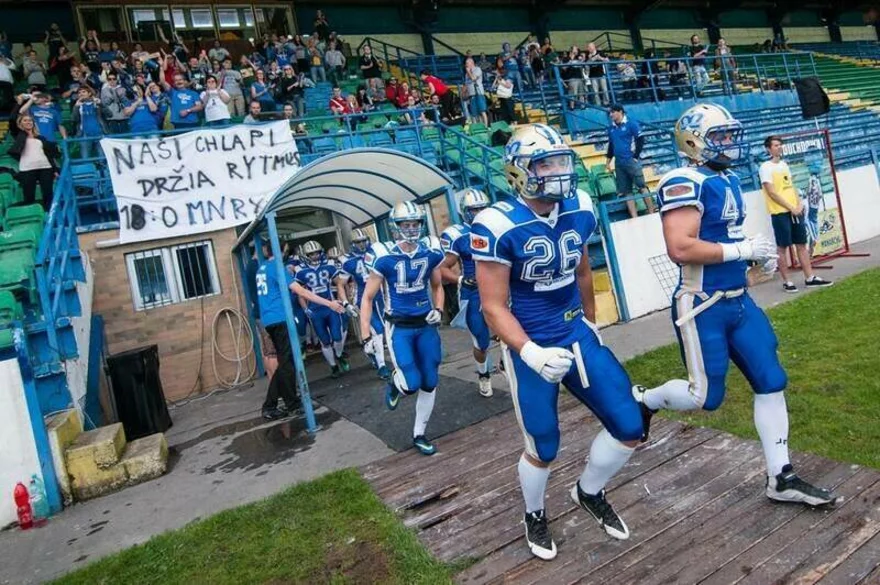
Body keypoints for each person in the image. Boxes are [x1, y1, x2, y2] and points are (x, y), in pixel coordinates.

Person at [633, 103, 837, 512]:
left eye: (730, 134)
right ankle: (646, 400)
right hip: (702, 303)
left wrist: (752, 257)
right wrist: (741, 249)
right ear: (693, 140)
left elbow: (721, 235)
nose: (729, 143)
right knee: (703, 397)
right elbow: (680, 247)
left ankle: (781, 475)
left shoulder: (722, 177)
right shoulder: (683, 180)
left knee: (772, 379)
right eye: (720, 136)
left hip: (738, 301)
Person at [472, 123, 661, 559]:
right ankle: (534, 514)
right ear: (519, 171)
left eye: (561, 161)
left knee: (630, 425)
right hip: (531, 340)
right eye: (546, 163)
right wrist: (529, 352)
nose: (559, 171)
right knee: (543, 444)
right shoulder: (497, 224)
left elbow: (580, 269)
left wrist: (591, 321)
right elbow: (493, 306)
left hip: (575, 330)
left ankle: (588, 491)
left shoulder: (581, 206)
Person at [359, 202, 445, 456]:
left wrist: (438, 310)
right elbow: (367, 298)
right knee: (411, 382)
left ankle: (419, 434)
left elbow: (438, 287)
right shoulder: (384, 255)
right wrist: (365, 333)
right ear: (395, 227)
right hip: (399, 327)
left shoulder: (430, 250)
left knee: (430, 380)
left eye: (415, 223)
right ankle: (396, 386)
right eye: (406, 224)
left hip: (426, 324)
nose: (411, 229)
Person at [256, 241, 345, 420]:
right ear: (283, 249)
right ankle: (287, 404)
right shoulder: (277, 267)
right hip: (280, 318)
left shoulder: (262, 268)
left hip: (269, 319)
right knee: (287, 363)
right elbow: (302, 292)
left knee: (285, 362)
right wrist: (330, 303)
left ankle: (275, 404)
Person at [760, 136, 833, 292]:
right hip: (780, 212)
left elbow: (790, 186)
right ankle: (787, 281)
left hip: (795, 210)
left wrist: (799, 203)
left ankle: (810, 277)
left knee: (801, 244)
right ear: (768, 149)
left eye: (780, 145)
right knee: (782, 246)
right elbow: (772, 193)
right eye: (776, 145)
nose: (779, 147)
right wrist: (789, 207)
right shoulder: (765, 167)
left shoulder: (784, 165)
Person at [439, 188, 494, 398]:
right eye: (474, 209)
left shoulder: (497, 225)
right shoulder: (458, 234)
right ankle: (483, 373)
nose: (479, 212)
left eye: (482, 208)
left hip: (500, 287)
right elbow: (442, 268)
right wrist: (461, 279)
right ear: (464, 211)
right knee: (481, 341)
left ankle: (509, 365)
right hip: (473, 292)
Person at [336, 229, 391, 380]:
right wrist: (346, 303)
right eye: (358, 242)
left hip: (378, 296)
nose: (361, 244)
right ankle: (382, 366)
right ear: (352, 244)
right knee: (377, 330)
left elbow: (385, 276)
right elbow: (340, 284)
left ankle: (371, 352)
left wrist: (387, 295)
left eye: (363, 241)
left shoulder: (376, 252)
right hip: (361, 298)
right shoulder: (347, 260)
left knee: (381, 331)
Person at [295, 241, 350, 378]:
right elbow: (300, 293)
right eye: (311, 254)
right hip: (315, 310)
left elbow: (340, 284)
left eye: (317, 253)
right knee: (325, 341)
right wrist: (306, 309)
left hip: (331, 306)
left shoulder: (329, 266)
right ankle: (333, 366)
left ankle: (338, 355)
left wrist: (343, 300)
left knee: (337, 337)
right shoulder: (300, 270)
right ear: (306, 255)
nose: (315, 256)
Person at [606, 104, 656, 219]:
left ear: (620, 112)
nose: (611, 114)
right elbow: (611, 146)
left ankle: (652, 212)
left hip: (630, 160)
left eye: (613, 112)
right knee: (626, 191)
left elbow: (640, 139)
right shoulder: (612, 128)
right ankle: (634, 217)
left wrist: (635, 156)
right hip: (619, 162)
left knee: (641, 186)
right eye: (610, 112)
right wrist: (608, 162)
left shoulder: (631, 124)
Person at [9, 114, 59, 211]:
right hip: (27, 168)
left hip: (45, 167)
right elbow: (12, 120)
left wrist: (55, 169)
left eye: (30, 120)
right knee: (28, 195)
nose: (28, 122)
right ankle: (32, 218)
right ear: (20, 124)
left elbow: (49, 155)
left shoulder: (40, 138)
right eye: (25, 120)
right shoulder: (19, 136)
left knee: (48, 194)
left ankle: (49, 216)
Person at [464, 57, 488, 126]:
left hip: (478, 92)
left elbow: (473, 78)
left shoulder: (477, 69)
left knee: (482, 110)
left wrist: (469, 71)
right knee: (474, 112)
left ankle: (485, 126)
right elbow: (467, 84)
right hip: (471, 94)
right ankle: (476, 126)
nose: (466, 65)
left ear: (472, 63)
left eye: (467, 63)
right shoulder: (466, 74)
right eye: (466, 63)